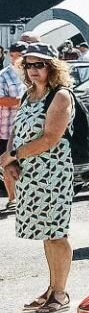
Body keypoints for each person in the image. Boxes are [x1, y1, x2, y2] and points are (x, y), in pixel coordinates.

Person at [0, 45, 77, 313]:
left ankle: (61, 292)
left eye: (39, 65)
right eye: (29, 65)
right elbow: (16, 131)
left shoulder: (60, 96)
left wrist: (12, 155)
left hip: (53, 173)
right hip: (31, 174)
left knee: (56, 233)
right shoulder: (28, 94)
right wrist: (10, 162)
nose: (33, 70)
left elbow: (50, 139)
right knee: (46, 233)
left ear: (52, 67)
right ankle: (51, 289)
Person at [0, 42, 24, 216]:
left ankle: (25, 198)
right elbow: (1, 100)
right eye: (13, 55)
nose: (16, 58)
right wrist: (23, 101)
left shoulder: (31, 74)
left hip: (28, 129)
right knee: (8, 164)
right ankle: (12, 199)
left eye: (19, 55)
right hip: (7, 128)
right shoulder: (3, 75)